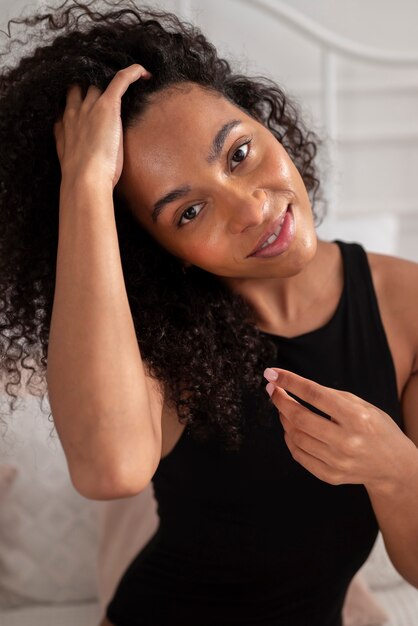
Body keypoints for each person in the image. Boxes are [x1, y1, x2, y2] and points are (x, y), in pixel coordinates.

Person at [0, 1, 417, 625]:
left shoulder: (405, 304)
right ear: (158, 248)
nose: (249, 209)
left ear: (263, 119)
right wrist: (84, 184)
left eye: (240, 152)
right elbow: (110, 469)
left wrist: (394, 467)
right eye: (187, 212)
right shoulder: (158, 339)